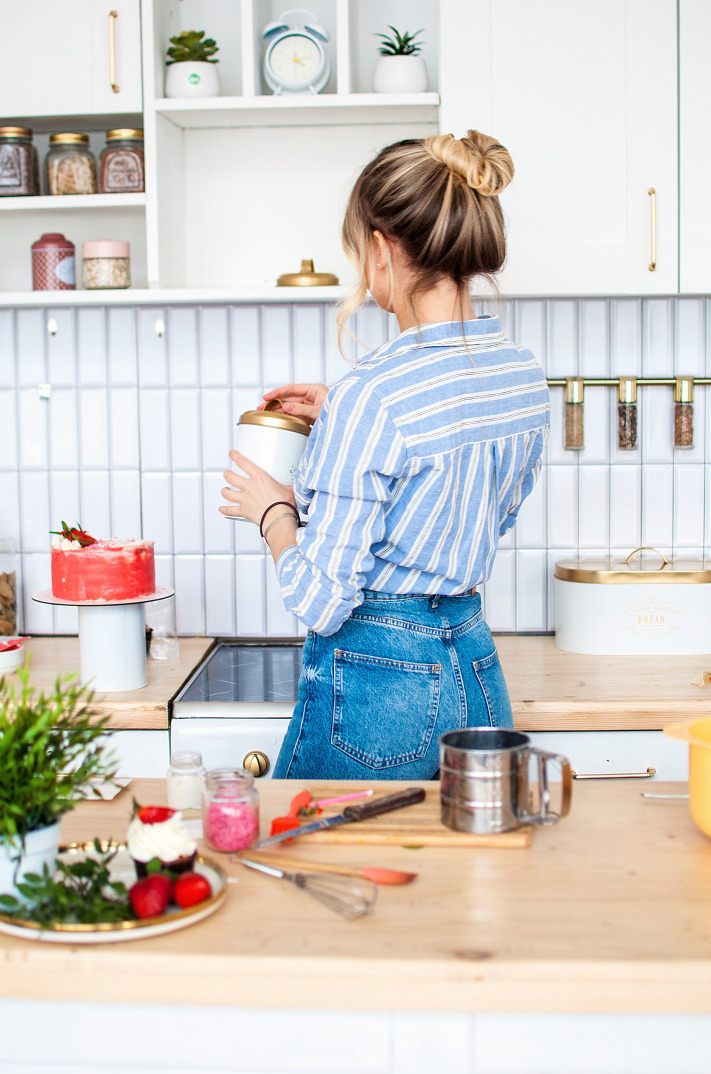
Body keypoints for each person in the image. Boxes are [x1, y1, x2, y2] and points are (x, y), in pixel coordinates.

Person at [220, 130, 550, 781]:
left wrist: (274, 513)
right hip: (475, 671)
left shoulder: (372, 397)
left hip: (382, 691)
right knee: (460, 879)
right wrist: (341, 420)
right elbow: (474, 510)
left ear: (380, 249)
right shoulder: (521, 374)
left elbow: (319, 600)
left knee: (321, 872)